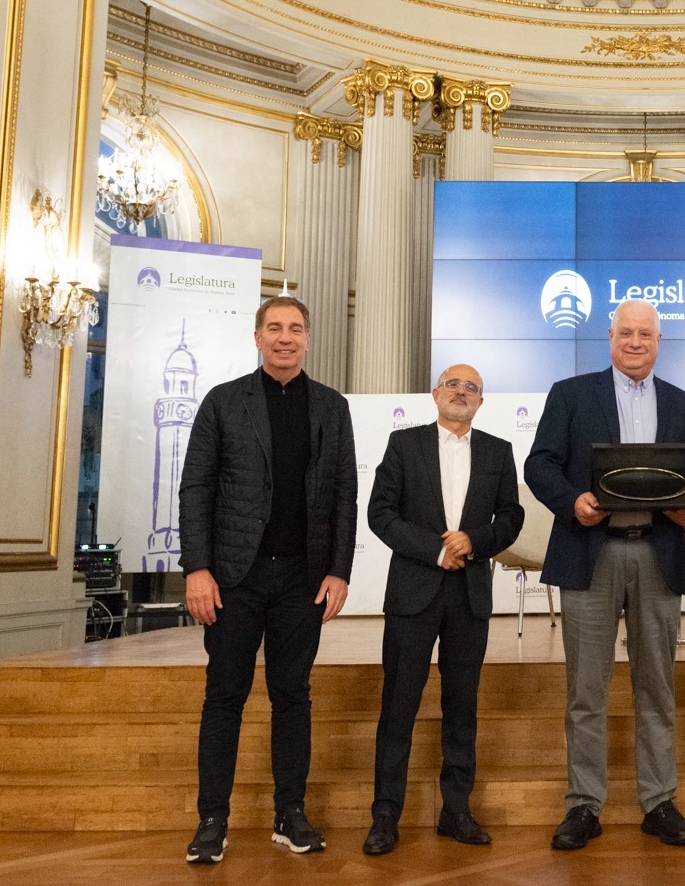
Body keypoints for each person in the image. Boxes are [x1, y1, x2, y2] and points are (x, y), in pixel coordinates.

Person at [178, 296, 357, 864]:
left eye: (296, 329)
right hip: (233, 579)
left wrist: (339, 570)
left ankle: (290, 813)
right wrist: (198, 569)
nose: (285, 337)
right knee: (224, 697)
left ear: (308, 339)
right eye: (275, 328)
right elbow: (196, 490)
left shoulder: (332, 406)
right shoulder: (223, 402)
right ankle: (212, 821)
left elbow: (344, 494)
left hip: (303, 581)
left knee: (293, 698)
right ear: (257, 337)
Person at [525, 298, 685, 851]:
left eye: (645, 335)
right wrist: (571, 500)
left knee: (657, 686)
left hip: (658, 553)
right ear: (609, 337)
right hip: (591, 553)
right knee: (586, 691)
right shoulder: (570, 394)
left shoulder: (683, 404)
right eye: (625, 333)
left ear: (658, 341)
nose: (634, 342)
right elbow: (539, 464)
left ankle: (659, 801)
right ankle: (583, 805)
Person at [362, 364, 525, 856]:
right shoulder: (403, 445)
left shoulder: (499, 451)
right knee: (398, 707)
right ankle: (385, 815)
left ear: (481, 401)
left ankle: (456, 810)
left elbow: (512, 517)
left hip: (470, 594)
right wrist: (436, 549)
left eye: (471, 387)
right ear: (435, 394)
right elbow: (380, 513)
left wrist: (474, 541)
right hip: (415, 591)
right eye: (452, 384)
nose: (460, 392)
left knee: (461, 708)